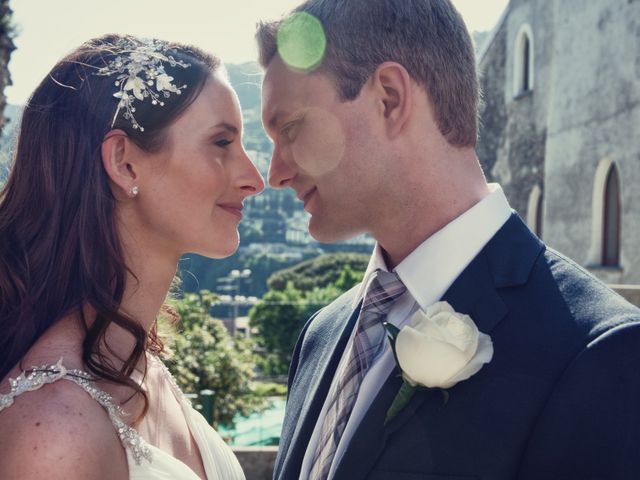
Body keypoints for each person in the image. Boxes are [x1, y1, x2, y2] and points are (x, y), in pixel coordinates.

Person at [256, 1, 640, 479]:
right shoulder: (321, 335)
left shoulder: (601, 354)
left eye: (290, 128)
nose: (275, 173)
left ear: (389, 99)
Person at [0, 34, 263, 479]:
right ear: (124, 163)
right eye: (221, 143)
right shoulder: (57, 436)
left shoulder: (142, 367)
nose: (253, 178)